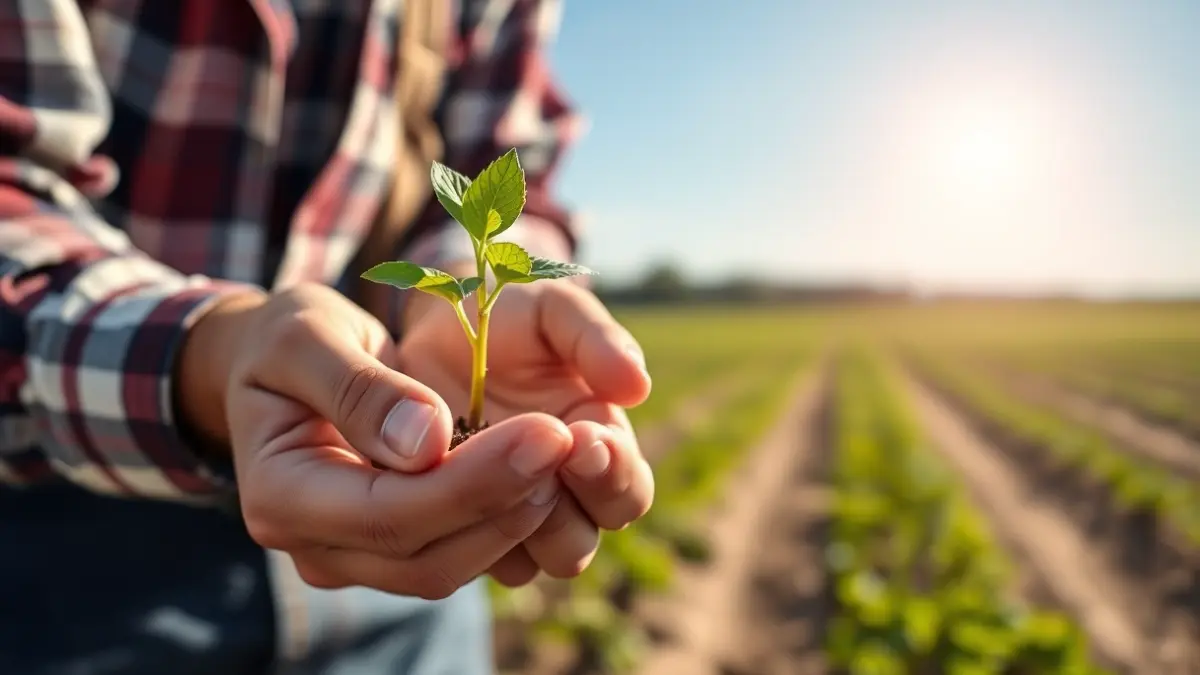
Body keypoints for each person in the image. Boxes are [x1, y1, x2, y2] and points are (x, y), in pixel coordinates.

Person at [0, 1, 654, 673]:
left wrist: (478, 276)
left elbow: (501, 156)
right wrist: (210, 356)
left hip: (408, 562)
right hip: (77, 544)